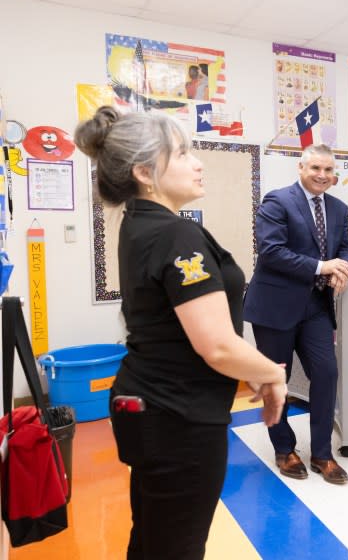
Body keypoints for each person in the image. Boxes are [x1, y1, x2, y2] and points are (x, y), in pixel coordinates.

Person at [73, 106, 286, 560]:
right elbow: (218, 346)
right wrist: (274, 373)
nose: (198, 161)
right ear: (145, 173)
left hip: (150, 404)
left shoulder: (139, 224)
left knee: (153, 537)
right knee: (177, 546)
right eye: (184, 152)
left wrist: (249, 367)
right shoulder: (175, 236)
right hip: (177, 417)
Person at [243, 143, 348, 485]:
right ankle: (284, 448)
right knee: (277, 379)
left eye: (328, 170)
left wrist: (346, 267)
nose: (322, 175)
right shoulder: (278, 202)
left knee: (326, 373)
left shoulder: (339, 208)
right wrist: (324, 266)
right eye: (315, 168)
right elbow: (272, 252)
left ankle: (322, 453)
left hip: (316, 308)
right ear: (301, 169)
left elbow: (345, 248)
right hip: (275, 307)